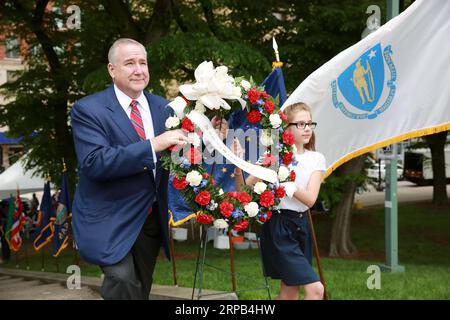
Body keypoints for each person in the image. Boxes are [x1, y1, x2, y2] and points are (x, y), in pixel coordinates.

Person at [70, 38, 188, 300]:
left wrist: (208, 141)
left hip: (149, 220)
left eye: (143, 63)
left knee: (140, 289)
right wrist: (153, 145)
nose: (138, 70)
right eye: (129, 63)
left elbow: (178, 159)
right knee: (122, 280)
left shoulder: (165, 108)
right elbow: (95, 162)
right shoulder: (88, 110)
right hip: (108, 218)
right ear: (112, 70)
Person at [233, 102, 326, 300]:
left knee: (289, 291)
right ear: (287, 128)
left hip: (301, 226)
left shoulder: (316, 158)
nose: (307, 128)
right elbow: (244, 191)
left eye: (309, 123)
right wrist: (238, 164)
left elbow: (310, 200)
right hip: (278, 226)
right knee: (316, 289)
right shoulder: (273, 157)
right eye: (300, 124)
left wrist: (286, 182)